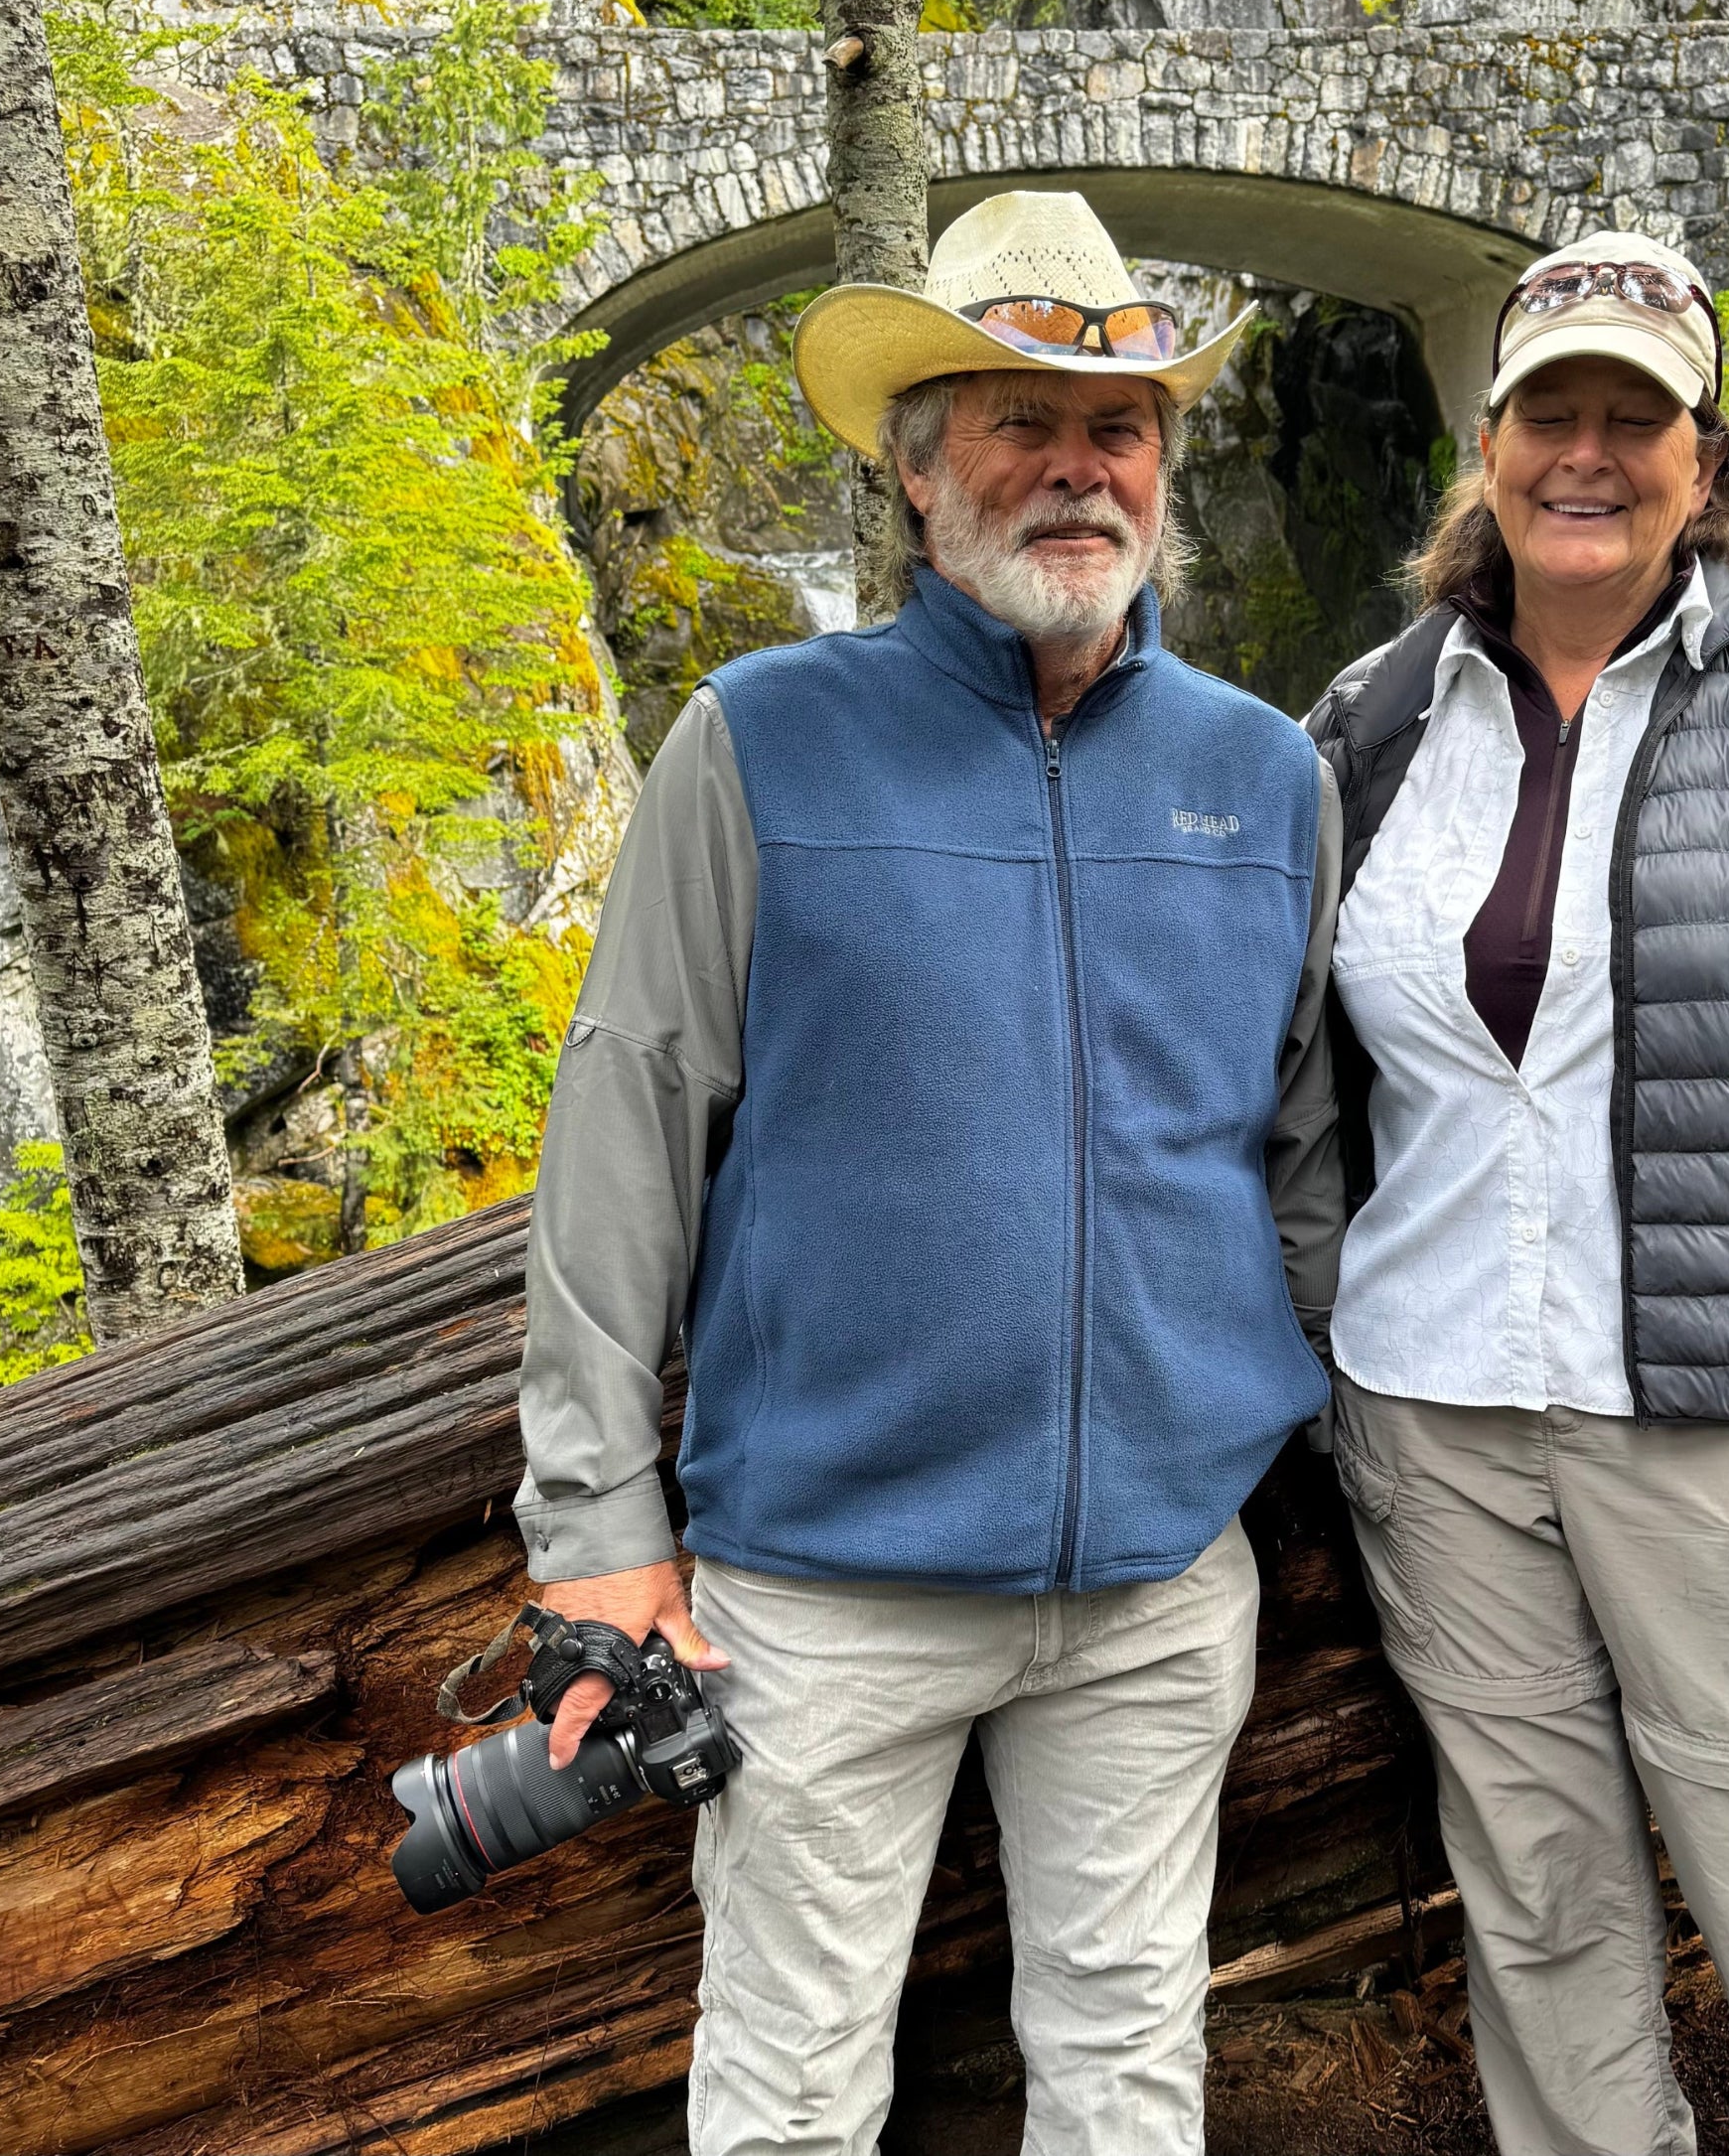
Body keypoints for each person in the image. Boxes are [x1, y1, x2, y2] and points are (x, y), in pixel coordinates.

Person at [511, 191, 1345, 2156]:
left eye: (1117, 423)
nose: (1075, 464)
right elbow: (624, 1132)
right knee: (793, 2095)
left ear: (1161, 462)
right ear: (914, 468)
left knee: (1129, 2075)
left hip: (1152, 1586)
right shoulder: (757, 744)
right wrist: (595, 1532)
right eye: (1014, 416)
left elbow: (1301, 1147)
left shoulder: (1262, 774)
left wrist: (1305, 1441)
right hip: (818, 1587)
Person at [1305, 231, 1729, 2156]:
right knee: (1536, 1906)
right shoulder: (1376, 715)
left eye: (1634, 416)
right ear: (1489, 438)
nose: (1584, 454)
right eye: (1551, 414)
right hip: (1432, 1408)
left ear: (1704, 455)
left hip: (1726, 1425)